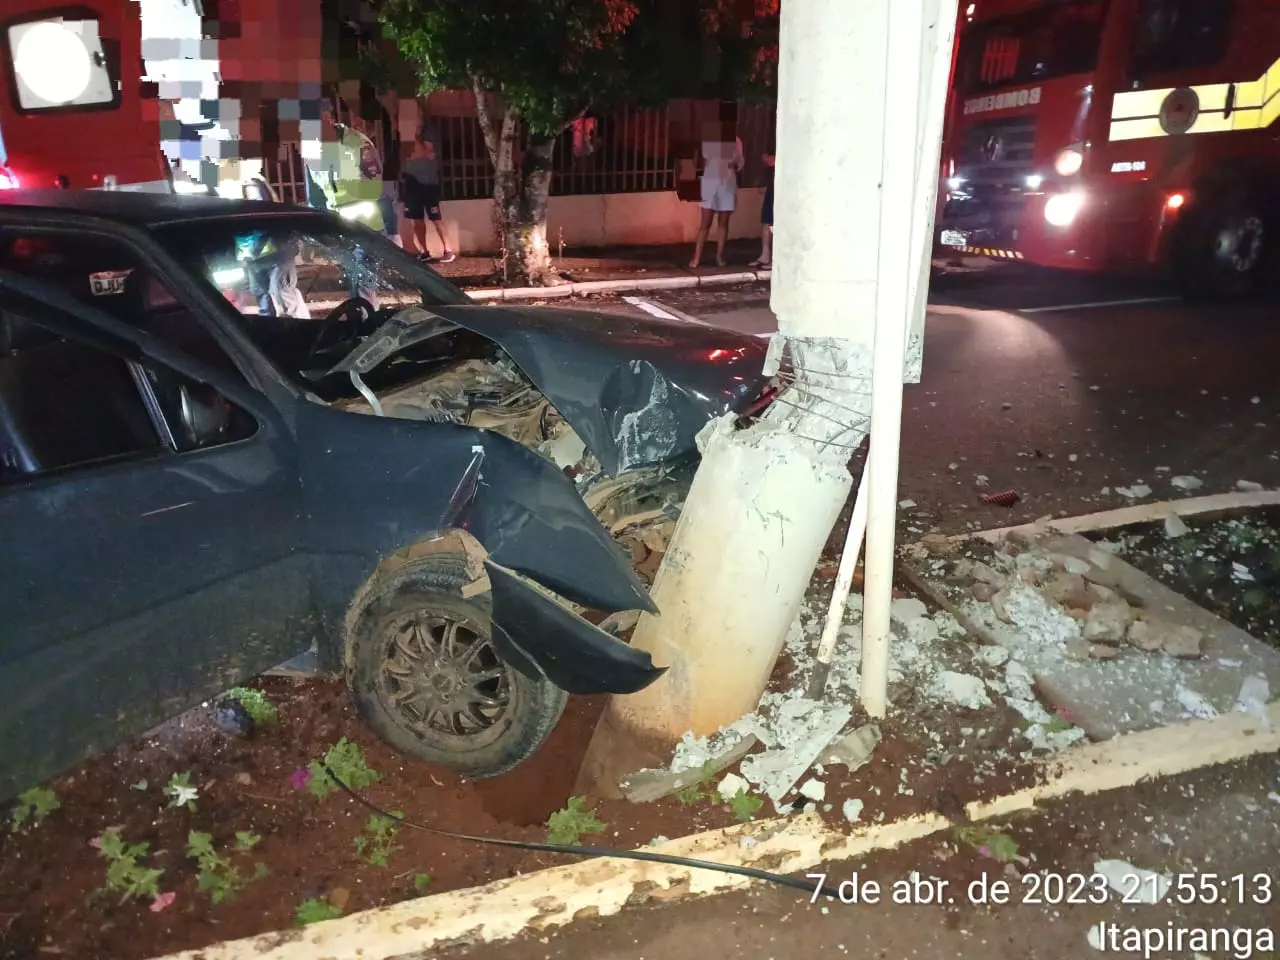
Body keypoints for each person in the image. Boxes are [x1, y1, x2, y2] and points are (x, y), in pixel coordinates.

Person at [689, 119, 745, 269]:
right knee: (705, 224)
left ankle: (719, 256)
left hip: (727, 184)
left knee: (723, 223)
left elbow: (740, 163)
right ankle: (696, 257)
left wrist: (736, 163)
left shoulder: (737, 141)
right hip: (710, 183)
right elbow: (704, 159)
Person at [400, 136, 455, 263]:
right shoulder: (408, 161)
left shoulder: (431, 158)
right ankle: (425, 251)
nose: (414, 149)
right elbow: (403, 175)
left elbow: (434, 168)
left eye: (417, 146)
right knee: (417, 222)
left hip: (429, 192)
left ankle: (448, 250)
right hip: (413, 194)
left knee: (436, 220)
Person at [749, 152, 775, 269]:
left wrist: (767, 158)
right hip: (772, 185)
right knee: (766, 221)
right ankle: (765, 255)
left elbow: (771, 161)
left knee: (773, 223)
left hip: (780, 186)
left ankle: (775, 258)